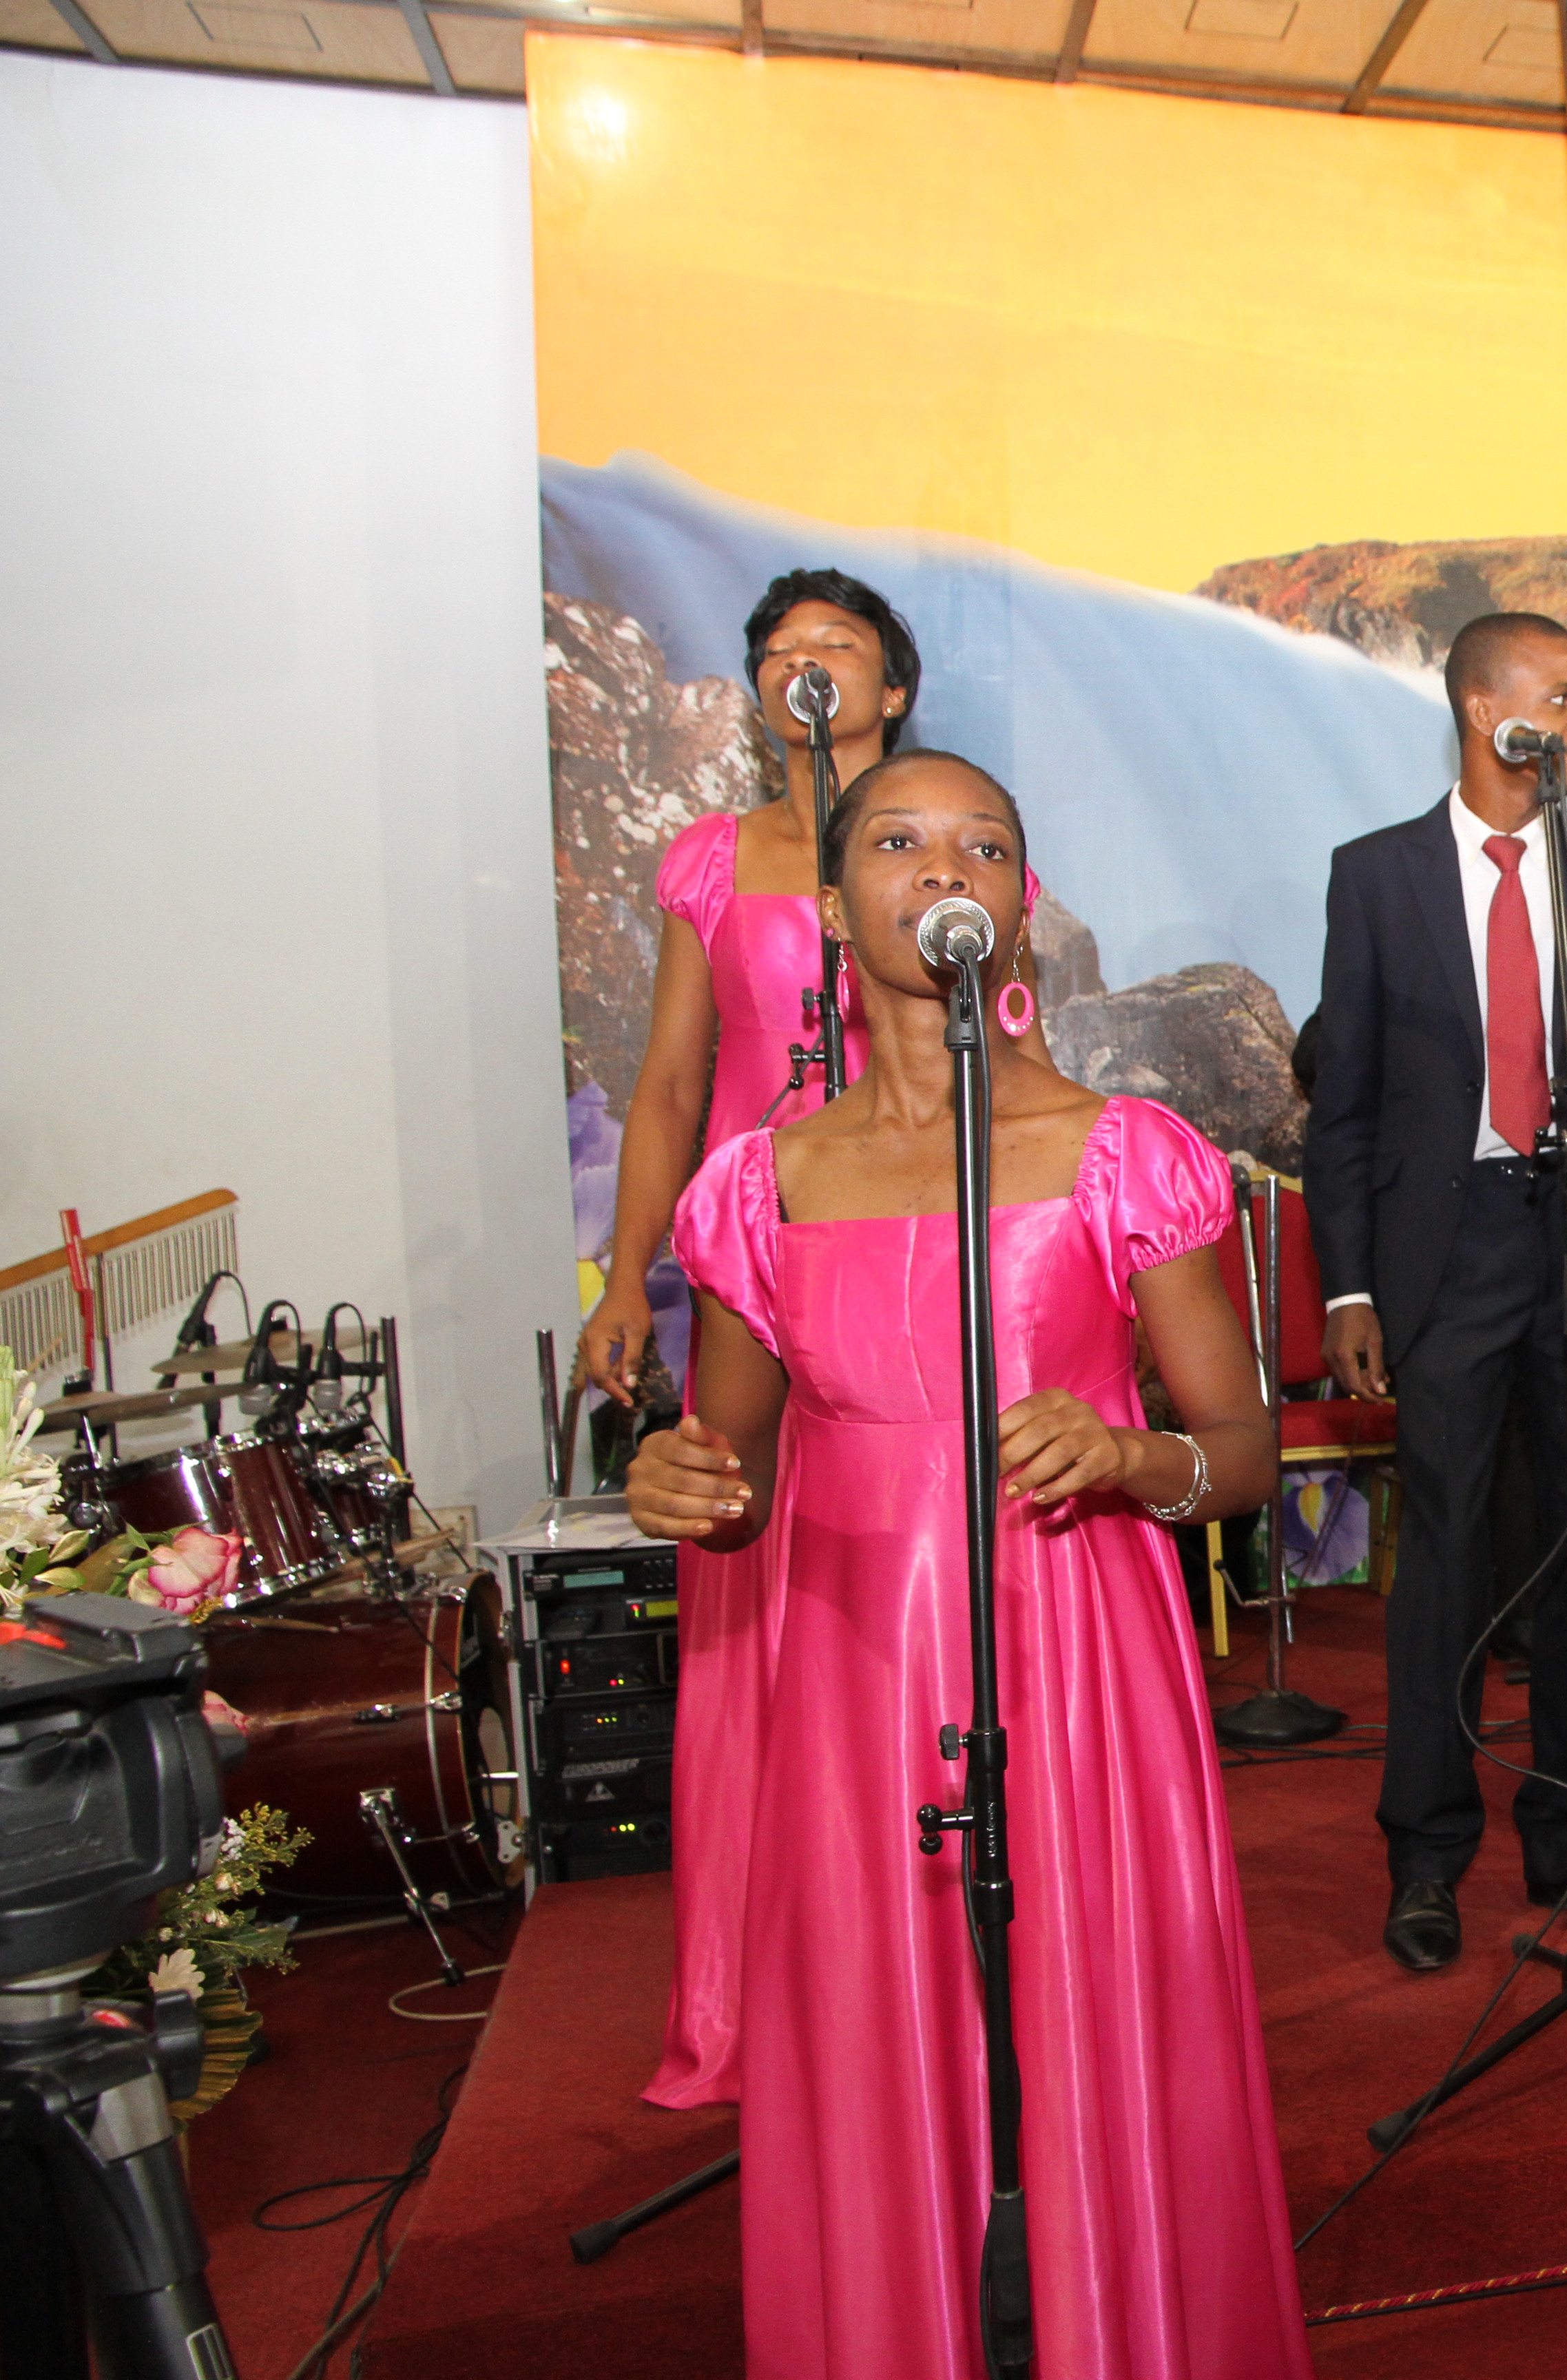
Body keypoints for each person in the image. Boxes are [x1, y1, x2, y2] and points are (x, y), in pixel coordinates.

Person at [622, 750, 1305, 2380]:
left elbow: (1241, 1454)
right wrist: (682, 1485)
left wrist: (1130, 1457)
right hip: (854, 1671)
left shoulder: (1125, 1153)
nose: (946, 869)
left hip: (1080, 1659)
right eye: (901, 842)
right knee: (879, 2032)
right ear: (832, 904)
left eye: (985, 847)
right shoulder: (759, 1190)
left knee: (1094, 2019)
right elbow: (734, 1482)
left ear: (1021, 901)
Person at [580, 566, 931, 2108]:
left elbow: (1015, 1068)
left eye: (837, 646)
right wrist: (624, 1276)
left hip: (899, 1257)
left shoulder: (943, 854)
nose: (808, 665)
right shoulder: (713, 862)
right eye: (782, 650)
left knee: (893, 1585)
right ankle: (753, 1996)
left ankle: (915, 1964)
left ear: (891, 689)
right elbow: (669, 1083)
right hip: (744, 1262)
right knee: (747, 1580)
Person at [1309, 612, 1567, 1972]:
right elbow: (1344, 1104)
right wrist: (1348, 1287)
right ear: (1485, 709)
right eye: (1564, 696)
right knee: (1448, 1565)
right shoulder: (1377, 875)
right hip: (1445, 1248)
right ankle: (1426, 1856)